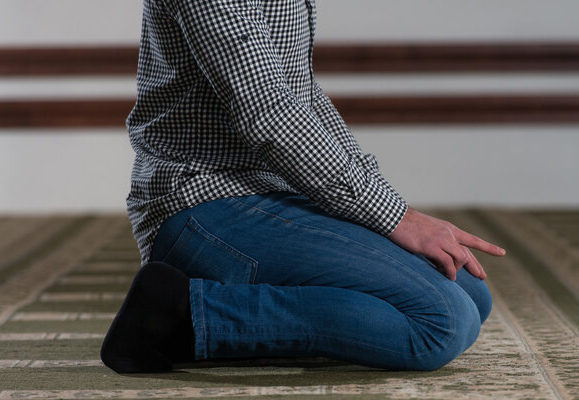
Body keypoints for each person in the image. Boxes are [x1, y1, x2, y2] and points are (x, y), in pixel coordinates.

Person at [100, 0, 506, 373]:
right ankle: (175, 313)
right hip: (204, 204)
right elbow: (269, 111)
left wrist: (390, 212)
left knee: (470, 292)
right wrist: (397, 218)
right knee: (444, 323)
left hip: (273, 191)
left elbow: (301, 94)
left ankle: (250, 316)